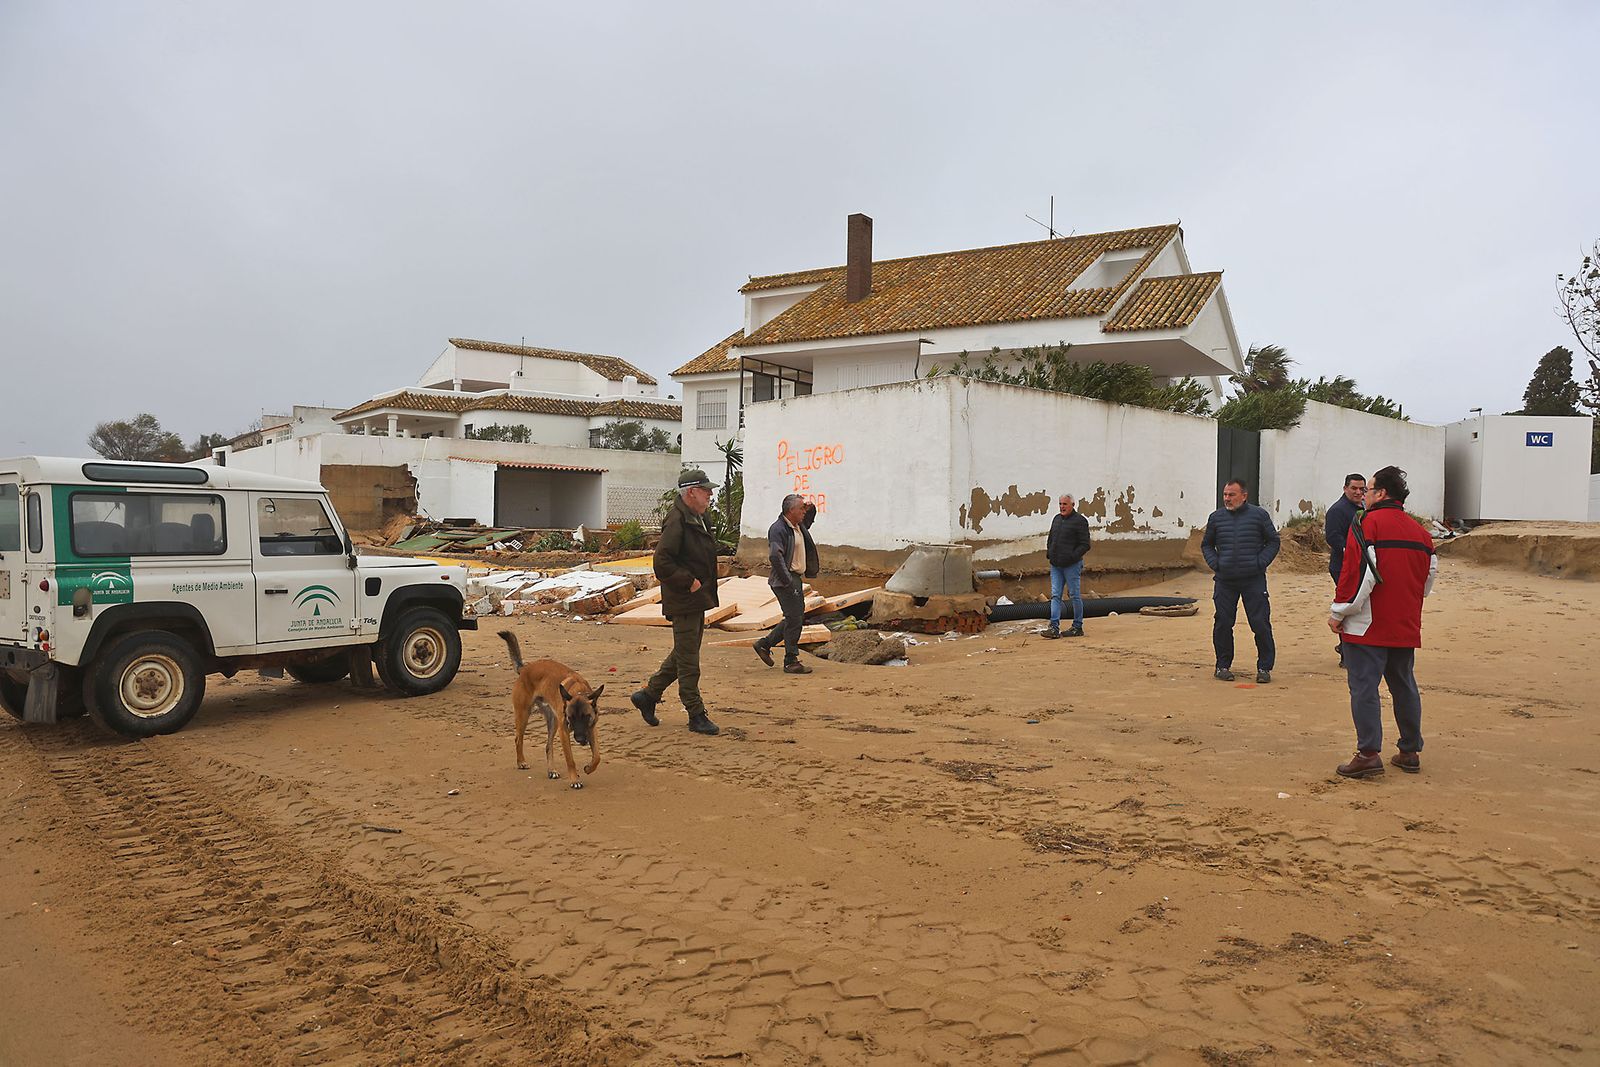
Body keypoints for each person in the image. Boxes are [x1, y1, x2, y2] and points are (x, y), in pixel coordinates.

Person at [1328, 465, 1437, 778]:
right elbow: (1428, 579)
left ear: (1381, 493)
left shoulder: (1365, 524)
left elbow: (1359, 573)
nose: (1365, 494)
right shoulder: (1421, 532)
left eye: (1369, 489)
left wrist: (1339, 612)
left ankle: (1368, 753)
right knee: (1404, 686)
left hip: (1367, 625)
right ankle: (1409, 750)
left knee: (1364, 688)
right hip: (1405, 622)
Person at [632, 469, 722, 736]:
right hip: (684, 599)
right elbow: (662, 563)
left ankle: (648, 695)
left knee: (684, 653)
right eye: (706, 490)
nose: (710, 494)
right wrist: (689, 581)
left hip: (696, 598)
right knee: (689, 662)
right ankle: (696, 714)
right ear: (691, 492)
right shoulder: (677, 520)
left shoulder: (699, 516)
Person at [1201, 479, 1280, 683]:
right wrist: (1215, 563)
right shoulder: (1216, 518)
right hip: (1225, 580)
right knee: (1223, 623)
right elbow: (1207, 544)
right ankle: (1222, 665)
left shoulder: (1259, 515)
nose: (1227, 498)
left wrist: (1260, 562)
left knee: (1260, 623)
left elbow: (1273, 541)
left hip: (1253, 580)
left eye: (1231, 495)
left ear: (1244, 496)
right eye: (1225, 494)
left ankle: (1264, 668)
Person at [753, 494, 816, 674]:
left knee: (793, 617)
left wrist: (810, 508)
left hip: (793, 577)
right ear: (790, 511)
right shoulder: (778, 529)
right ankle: (791, 660)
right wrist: (787, 579)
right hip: (785, 580)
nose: (804, 512)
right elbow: (775, 555)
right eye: (801, 509)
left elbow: (809, 519)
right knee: (795, 618)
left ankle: (764, 644)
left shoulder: (797, 526)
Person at [1042, 494, 1090, 638]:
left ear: (1072, 505)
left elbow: (1085, 544)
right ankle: (1054, 628)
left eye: (1065, 504)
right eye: (1060, 504)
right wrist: (1049, 552)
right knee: (1056, 595)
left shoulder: (1080, 521)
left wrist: (1072, 557)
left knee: (1074, 595)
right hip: (1056, 565)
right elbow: (1051, 538)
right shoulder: (1056, 519)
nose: (1062, 506)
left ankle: (1077, 626)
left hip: (1072, 566)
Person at [1324, 473, 1366, 585]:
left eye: (1361, 489)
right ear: (1345, 488)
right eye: (1354, 488)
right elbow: (1333, 538)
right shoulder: (1337, 511)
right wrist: (1353, 554)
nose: (1358, 492)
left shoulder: (1365, 507)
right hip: (1343, 567)